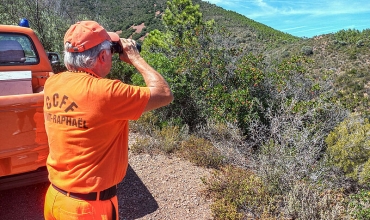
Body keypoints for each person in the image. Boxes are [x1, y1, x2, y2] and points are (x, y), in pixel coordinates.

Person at [43, 20, 173, 220]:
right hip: (86, 209)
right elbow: (164, 93)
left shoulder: (53, 83)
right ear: (103, 56)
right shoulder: (106, 92)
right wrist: (136, 58)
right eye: (111, 51)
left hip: (55, 198)